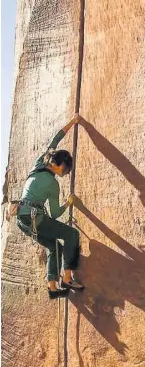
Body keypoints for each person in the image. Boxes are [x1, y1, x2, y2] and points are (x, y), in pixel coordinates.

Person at [15, 113, 85, 298]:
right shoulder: (53, 185)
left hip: (22, 220)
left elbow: (56, 138)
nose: (66, 173)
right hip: (35, 218)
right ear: (60, 164)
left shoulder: (40, 162)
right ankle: (68, 278)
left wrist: (73, 121)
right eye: (66, 169)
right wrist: (68, 203)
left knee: (54, 247)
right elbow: (54, 215)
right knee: (71, 235)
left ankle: (52, 288)